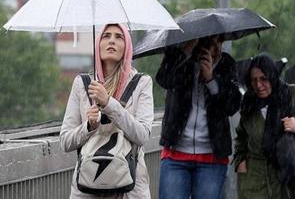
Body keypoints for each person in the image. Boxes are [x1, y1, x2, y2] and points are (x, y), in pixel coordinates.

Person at [60, 24, 154, 199]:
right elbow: (65, 141)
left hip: (130, 189)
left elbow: (142, 135)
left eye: (119, 37)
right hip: (88, 188)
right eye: (106, 36)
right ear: (97, 44)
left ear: (127, 46)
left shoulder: (142, 82)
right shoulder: (82, 83)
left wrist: (108, 103)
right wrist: (88, 126)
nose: (112, 40)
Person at [156, 35, 241, 199]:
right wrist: (185, 50)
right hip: (176, 153)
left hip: (212, 156)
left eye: (214, 42)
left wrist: (211, 79)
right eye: (204, 41)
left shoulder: (226, 64)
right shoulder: (179, 58)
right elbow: (164, 79)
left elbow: (232, 105)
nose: (209, 47)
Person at [233, 54, 295, 199]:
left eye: (263, 79)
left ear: (272, 76)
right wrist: (240, 161)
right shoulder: (249, 104)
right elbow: (241, 137)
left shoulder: (294, 94)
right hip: (256, 182)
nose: (259, 85)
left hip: (291, 176)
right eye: (254, 80)